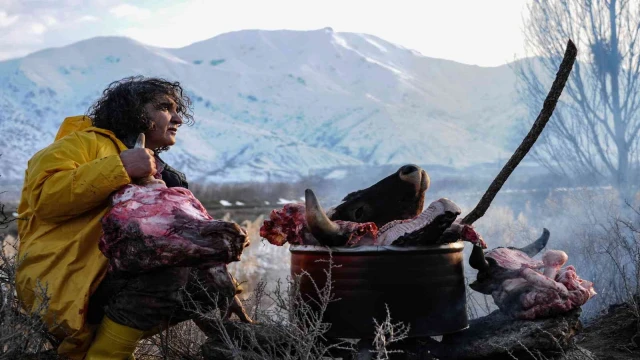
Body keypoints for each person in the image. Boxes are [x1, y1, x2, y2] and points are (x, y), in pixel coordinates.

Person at [15, 76, 250, 360]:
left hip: (117, 280)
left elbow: (188, 246)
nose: (178, 119)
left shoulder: (169, 177)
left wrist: (222, 286)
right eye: (165, 107)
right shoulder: (80, 145)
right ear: (133, 110)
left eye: (178, 111)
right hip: (65, 283)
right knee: (166, 266)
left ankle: (110, 348)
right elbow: (45, 200)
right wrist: (121, 167)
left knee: (206, 285)